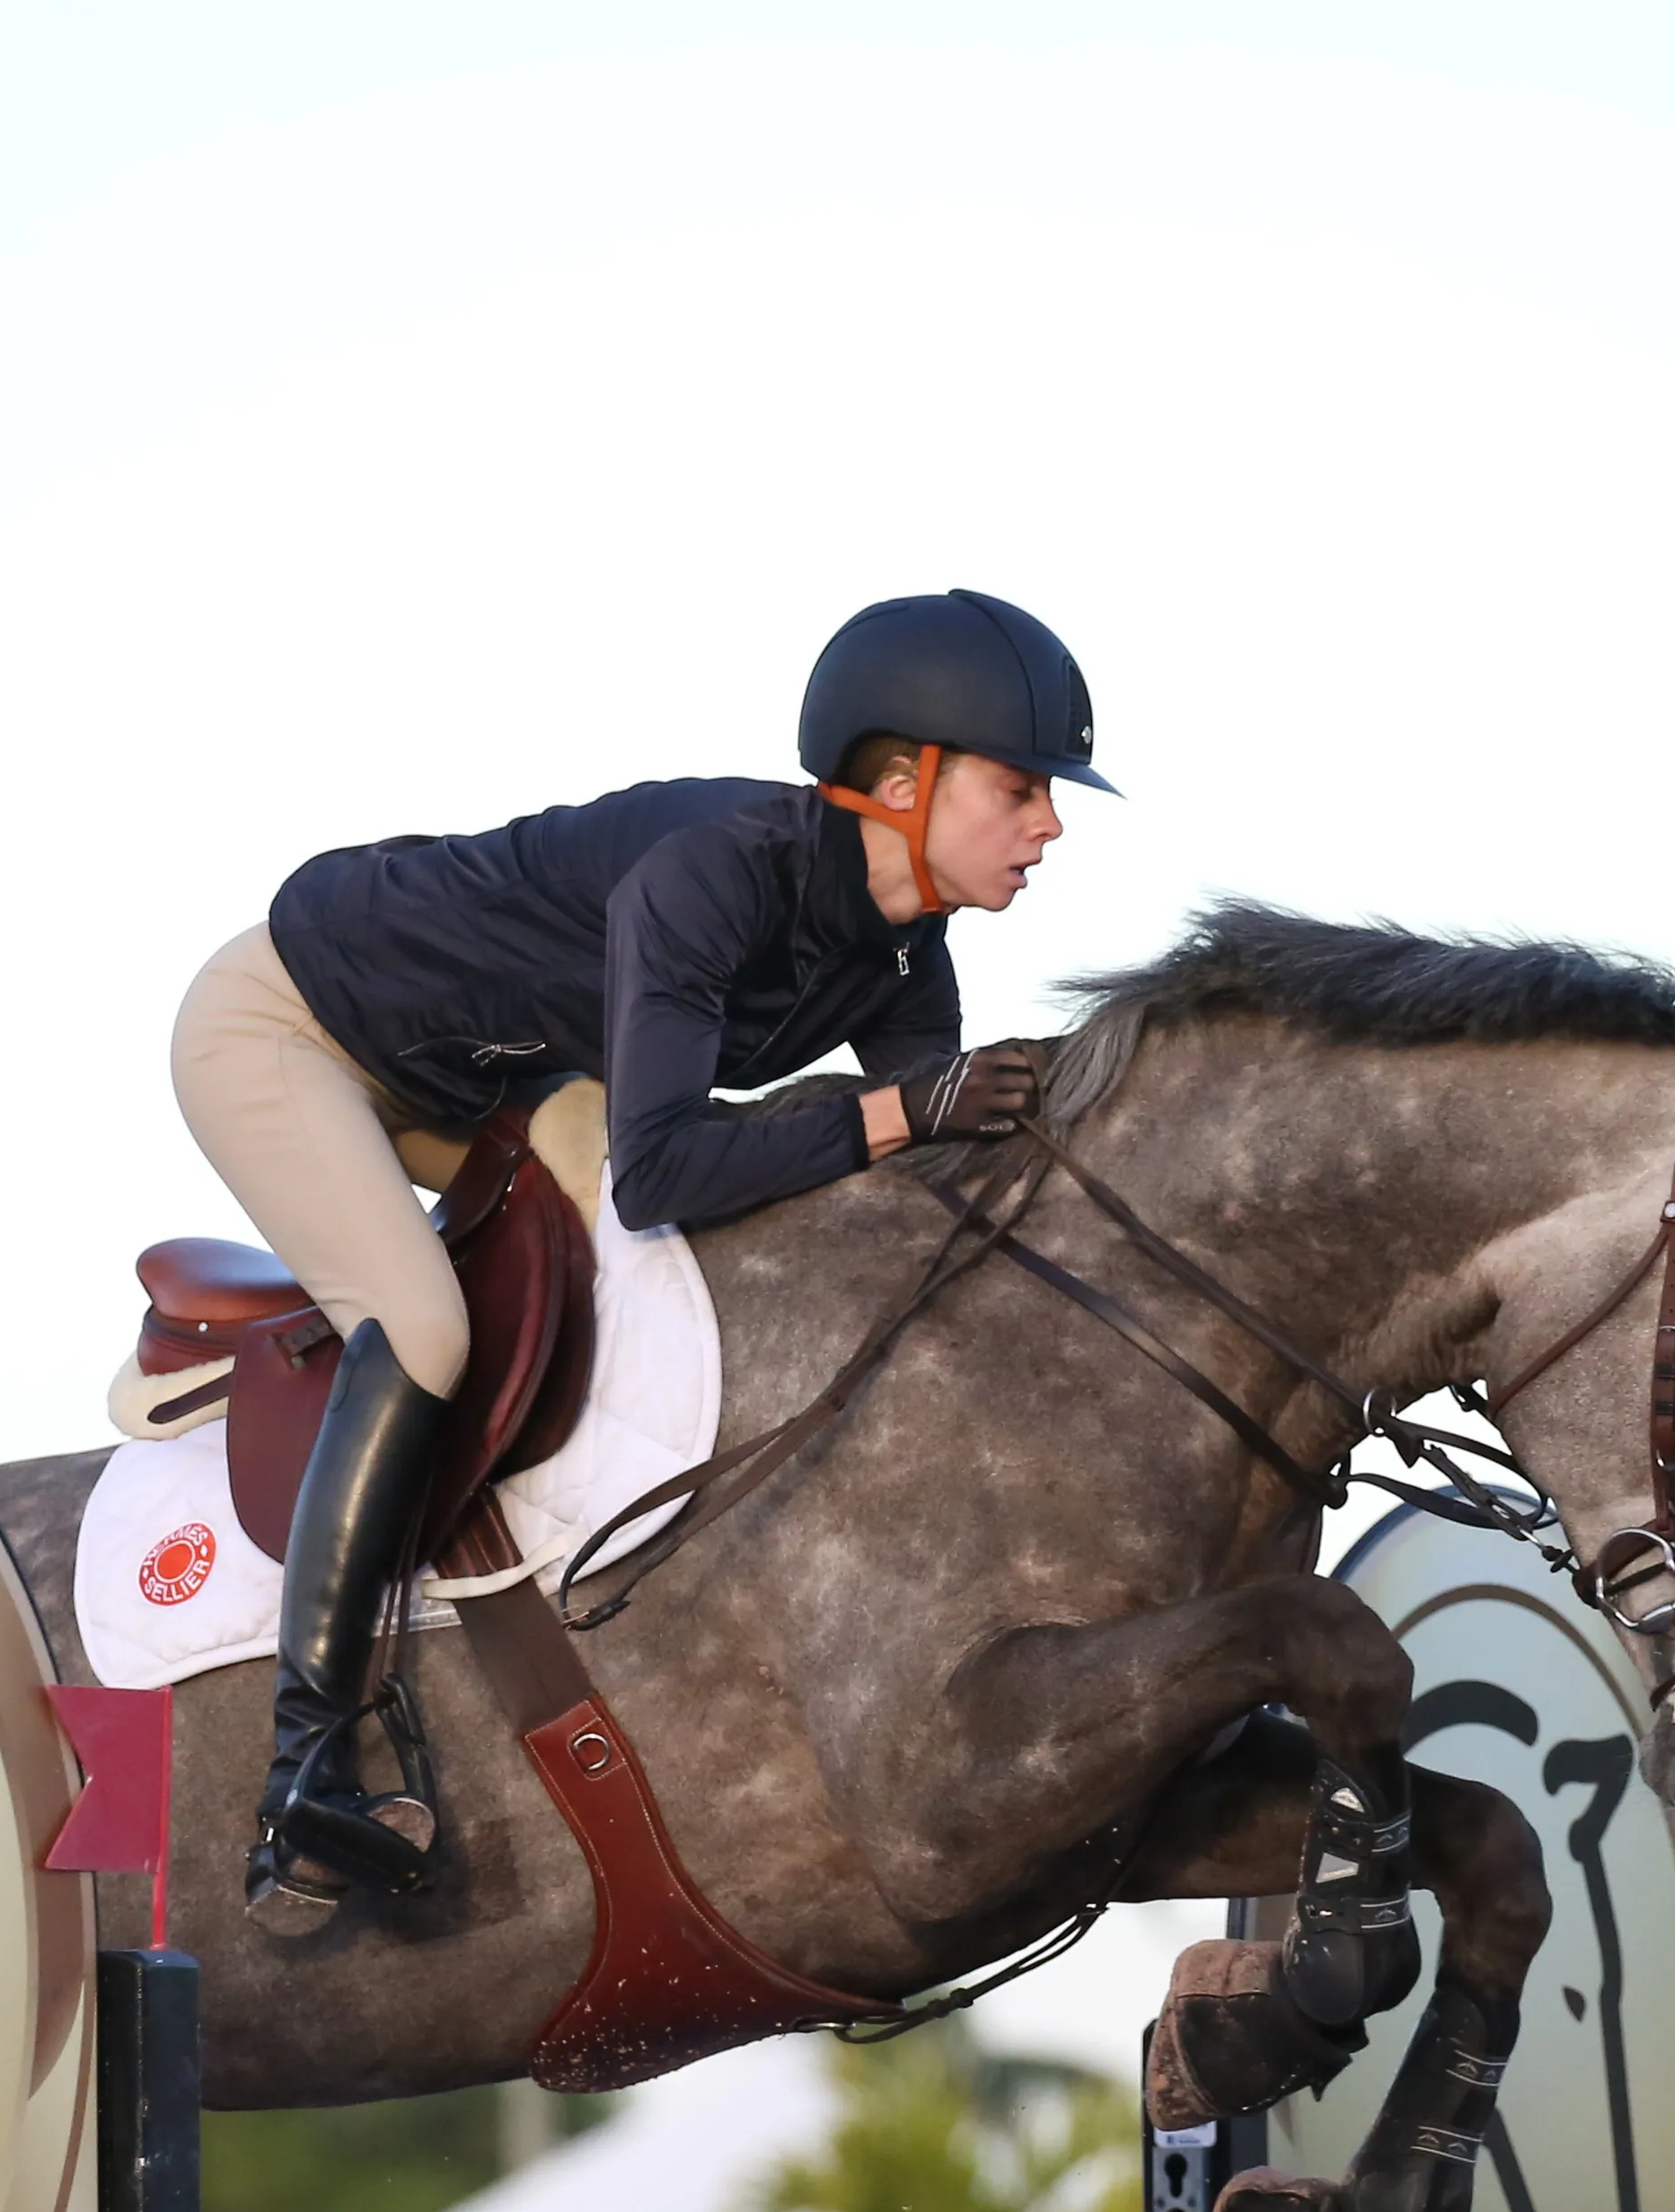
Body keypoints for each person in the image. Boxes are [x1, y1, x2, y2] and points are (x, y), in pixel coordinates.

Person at [169, 591, 1115, 1934]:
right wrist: (913, 1108)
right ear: (903, 781)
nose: (1050, 824)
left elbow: (929, 1182)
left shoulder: (904, 951)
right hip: (289, 1029)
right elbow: (673, 1166)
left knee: (680, 1257)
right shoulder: (719, 869)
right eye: (1021, 787)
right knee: (426, 1327)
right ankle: (301, 1773)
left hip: (490, 1077)